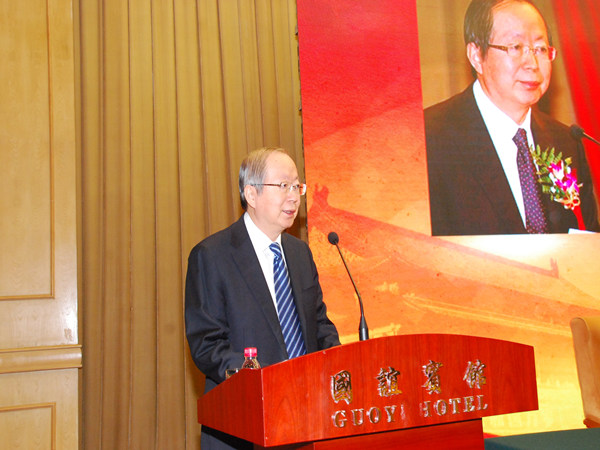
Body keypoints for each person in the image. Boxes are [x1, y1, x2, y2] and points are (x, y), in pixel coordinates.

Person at [185, 147, 340, 449]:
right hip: (242, 425)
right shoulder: (212, 256)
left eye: (297, 186)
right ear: (251, 194)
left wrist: (340, 364)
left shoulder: (300, 253)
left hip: (305, 421)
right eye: (283, 185)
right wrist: (266, 381)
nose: (294, 197)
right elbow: (207, 344)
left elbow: (319, 325)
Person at [424, 0, 599, 236]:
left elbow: (588, 244)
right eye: (515, 47)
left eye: (540, 49)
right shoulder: (430, 139)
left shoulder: (566, 142)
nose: (532, 64)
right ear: (476, 56)